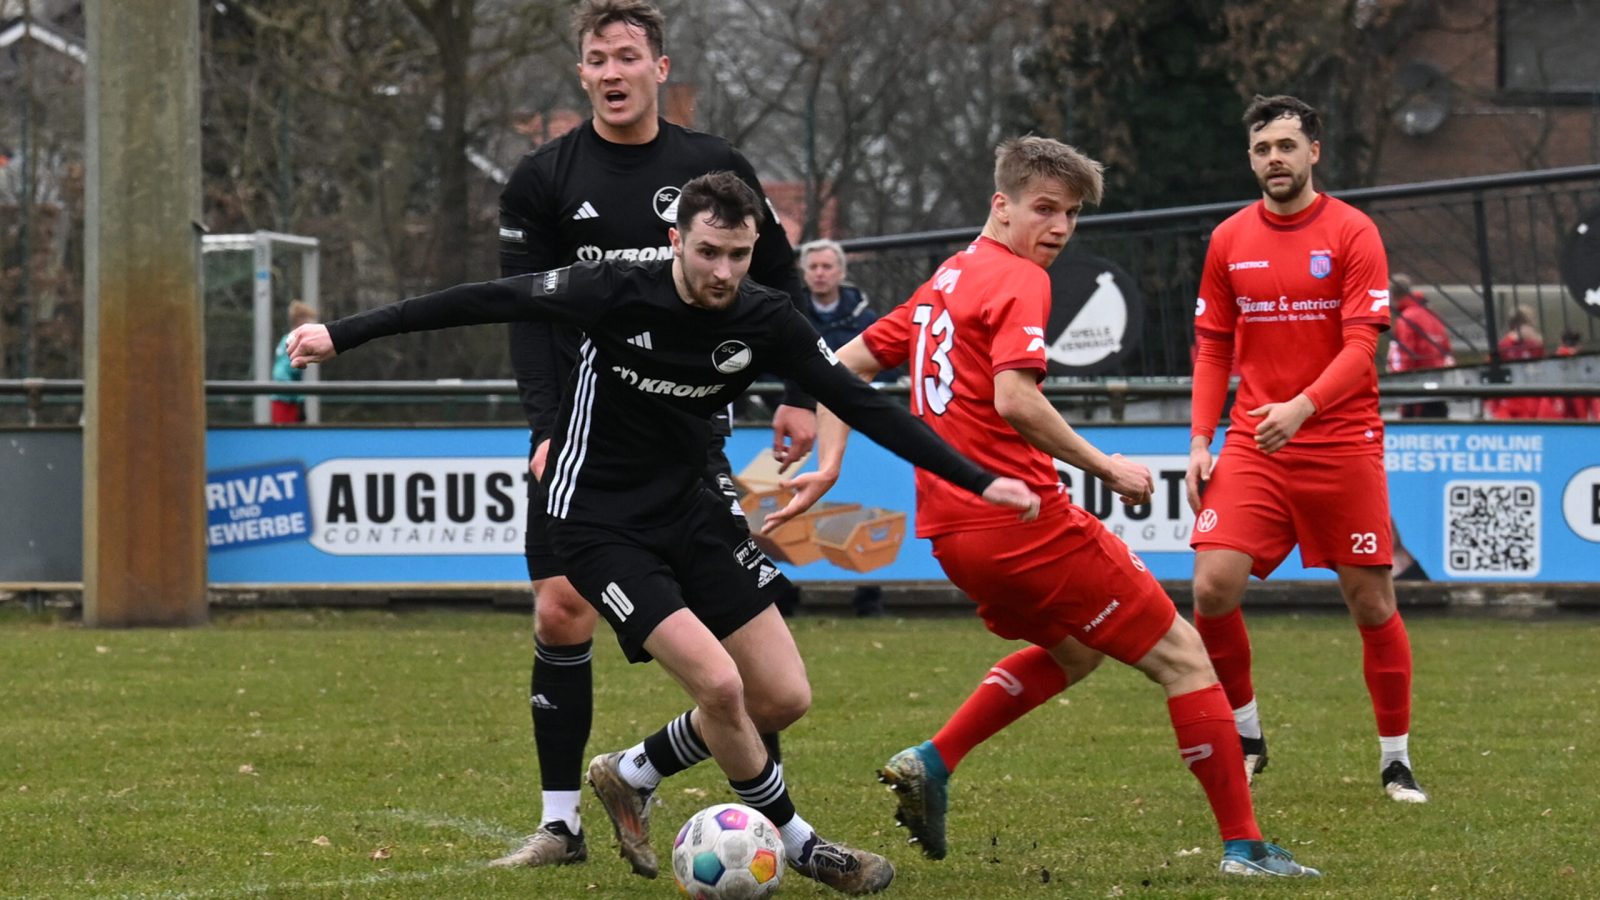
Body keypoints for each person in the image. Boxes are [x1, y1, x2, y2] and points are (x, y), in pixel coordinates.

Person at [288, 172, 1041, 894]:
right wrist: (340, 334)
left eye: (738, 255)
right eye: (707, 251)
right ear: (674, 240)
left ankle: (635, 771)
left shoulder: (766, 316)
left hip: (695, 512)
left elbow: (863, 402)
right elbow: (480, 300)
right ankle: (805, 845)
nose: (722, 271)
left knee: (780, 696)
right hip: (597, 522)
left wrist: (978, 479)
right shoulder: (611, 287)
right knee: (719, 683)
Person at [764, 136, 1321, 878]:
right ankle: (1246, 849)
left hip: (952, 536)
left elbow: (843, 368)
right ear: (1003, 205)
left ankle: (934, 759)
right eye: (1045, 209)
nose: (1059, 227)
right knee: (1187, 659)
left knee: (1077, 650)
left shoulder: (949, 278)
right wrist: (1105, 466)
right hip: (1023, 523)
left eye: (1073, 213)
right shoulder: (1018, 278)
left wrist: (831, 462)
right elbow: (1015, 398)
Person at [493, 0, 814, 868]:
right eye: (596, 57)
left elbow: (780, 284)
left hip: (690, 436)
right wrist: (547, 423)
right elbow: (527, 317)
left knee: (738, 649)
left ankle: (668, 782)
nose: (611, 72)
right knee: (561, 610)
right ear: (582, 72)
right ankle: (561, 824)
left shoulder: (714, 170)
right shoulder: (543, 178)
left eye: (627, 56)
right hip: (582, 437)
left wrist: (804, 394)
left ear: (660, 69)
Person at [1186, 95, 1426, 803]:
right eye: (1263, 149)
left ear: (1314, 151)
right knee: (1211, 587)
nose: (1275, 159)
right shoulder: (1229, 238)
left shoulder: (1353, 232)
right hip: (1258, 442)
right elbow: (1212, 345)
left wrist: (1303, 406)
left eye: (1287, 146)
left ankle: (1395, 760)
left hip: (1341, 439)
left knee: (1372, 601)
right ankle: (1248, 733)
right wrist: (1202, 438)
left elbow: (1362, 346)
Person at [797, 238, 895, 616]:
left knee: (867, 506)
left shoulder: (866, 318)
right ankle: (786, 593)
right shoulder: (791, 311)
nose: (820, 273)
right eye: (813, 267)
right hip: (805, 428)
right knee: (796, 508)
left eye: (827, 266)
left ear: (841, 272)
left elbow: (889, 364)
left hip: (857, 430)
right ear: (805, 274)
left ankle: (869, 595)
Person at [1384, 273, 1454, 418]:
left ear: (1392, 295)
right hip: (1438, 389)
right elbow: (1447, 349)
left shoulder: (1407, 319)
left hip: (1416, 394)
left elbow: (1404, 357)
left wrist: (1397, 387)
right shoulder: (1431, 314)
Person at [1485, 305, 1545, 419]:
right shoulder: (1504, 346)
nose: (1533, 328)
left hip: (1531, 402)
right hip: (1510, 403)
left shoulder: (1534, 345)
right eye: (1530, 324)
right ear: (1519, 326)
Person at [270, 301, 317, 423]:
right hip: (285, 402)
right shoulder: (291, 342)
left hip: (290, 400)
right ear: (299, 320)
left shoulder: (290, 340)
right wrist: (300, 399)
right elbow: (280, 374)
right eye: (309, 318)